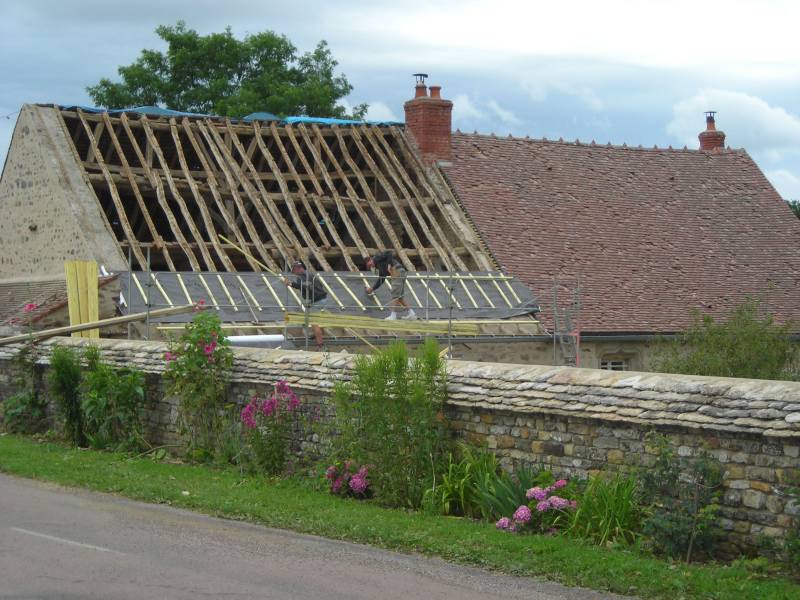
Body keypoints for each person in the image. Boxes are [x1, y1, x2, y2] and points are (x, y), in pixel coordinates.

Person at [280, 260, 328, 349]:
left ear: (298, 269)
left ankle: (320, 345)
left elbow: (302, 286)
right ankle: (316, 334)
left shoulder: (301, 277)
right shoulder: (310, 274)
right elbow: (318, 286)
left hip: (317, 301)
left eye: (294, 271)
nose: (294, 273)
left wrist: (290, 283)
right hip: (322, 298)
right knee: (310, 316)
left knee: (314, 322)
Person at [364, 251, 417, 321]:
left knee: (395, 294)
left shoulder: (377, 258)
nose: (371, 266)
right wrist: (372, 289)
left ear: (371, 259)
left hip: (397, 272)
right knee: (399, 297)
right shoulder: (380, 267)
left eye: (370, 264)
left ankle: (393, 316)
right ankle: (412, 314)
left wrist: (389, 264)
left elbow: (389, 253)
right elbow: (381, 279)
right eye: (369, 266)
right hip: (400, 272)